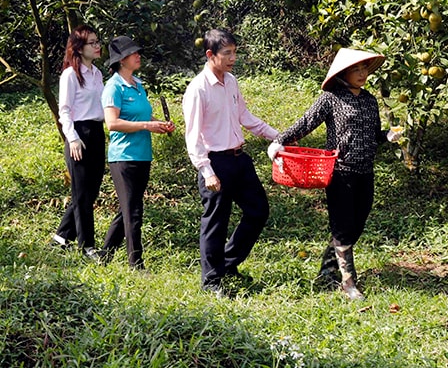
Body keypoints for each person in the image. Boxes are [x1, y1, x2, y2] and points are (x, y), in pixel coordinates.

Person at [268, 47, 387, 300]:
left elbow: (375, 135)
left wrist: (388, 136)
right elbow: (306, 122)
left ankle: (326, 271)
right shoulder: (331, 98)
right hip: (340, 172)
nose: (362, 73)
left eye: (364, 68)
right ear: (344, 72)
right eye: (356, 69)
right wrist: (280, 141)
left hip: (365, 171)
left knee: (357, 224)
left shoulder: (369, 100)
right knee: (343, 226)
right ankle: (348, 283)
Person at [182, 28, 282, 295]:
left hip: (239, 159)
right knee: (216, 222)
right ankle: (211, 281)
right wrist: (206, 171)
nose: (232, 58)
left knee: (258, 210)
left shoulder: (232, 82)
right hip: (216, 163)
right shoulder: (197, 90)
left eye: (235, 52)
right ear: (210, 54)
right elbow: (193, 136)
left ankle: (228, 262)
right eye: (227, 53)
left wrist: (279, 135)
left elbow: (245, 117)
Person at [101, 36, 175, 269]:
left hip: (143, 155)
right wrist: (146, 126)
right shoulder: (113, 87)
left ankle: (105, 254)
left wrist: (158, 124)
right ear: (122, 60)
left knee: (128, 209)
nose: (138, 55)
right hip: (123, 157)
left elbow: (142, 117)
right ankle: (136, 263)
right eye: (134, 53)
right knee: (133, 211)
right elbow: (112, 123)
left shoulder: (138, 84)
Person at [51, 24, 106, 261]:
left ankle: (61, 237)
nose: (97, 46)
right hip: (79, 132)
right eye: (92, 42)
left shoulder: (97, 74)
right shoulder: (70, 75)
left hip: (97, 131)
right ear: (79, 48)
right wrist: (72, 138)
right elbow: (64, 111)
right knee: (82, 192)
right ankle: (87, 247)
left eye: (97, 41)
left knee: (89, 191)